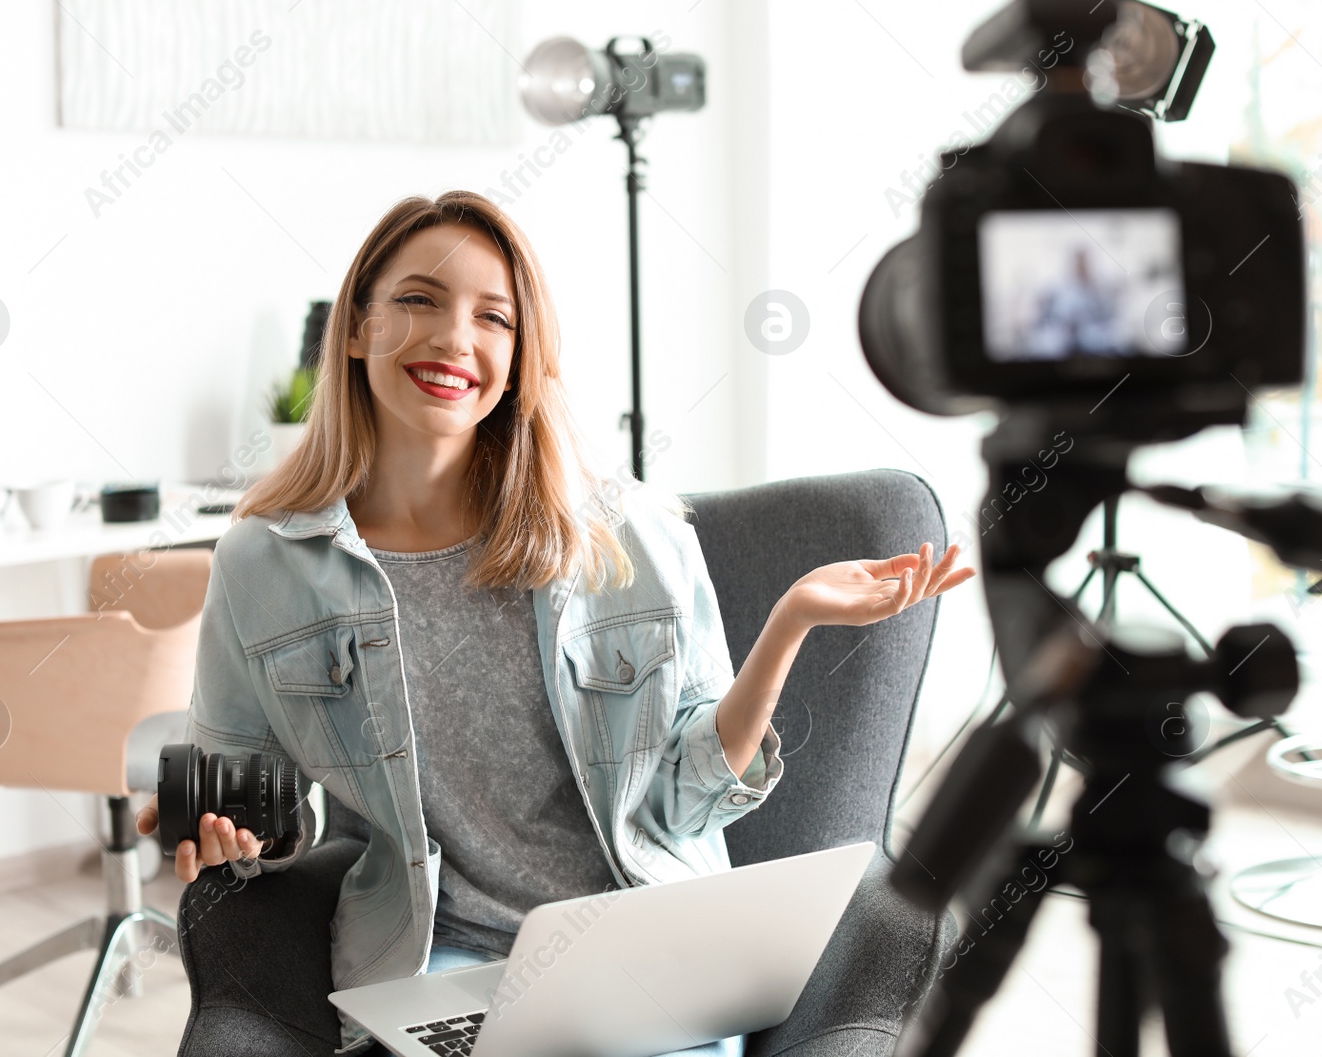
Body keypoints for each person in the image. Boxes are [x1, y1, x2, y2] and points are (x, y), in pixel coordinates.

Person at [136, 191, 973, 1056]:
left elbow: (688, 800)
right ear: (355, 328)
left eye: (493, 317)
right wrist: (223, 830)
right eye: (419, 300)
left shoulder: (630, 533)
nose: (455, 338)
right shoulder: (262, 564)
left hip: (646, 947)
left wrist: (790, 622)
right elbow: (252, 795)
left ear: (521, 356)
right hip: (436, 962)